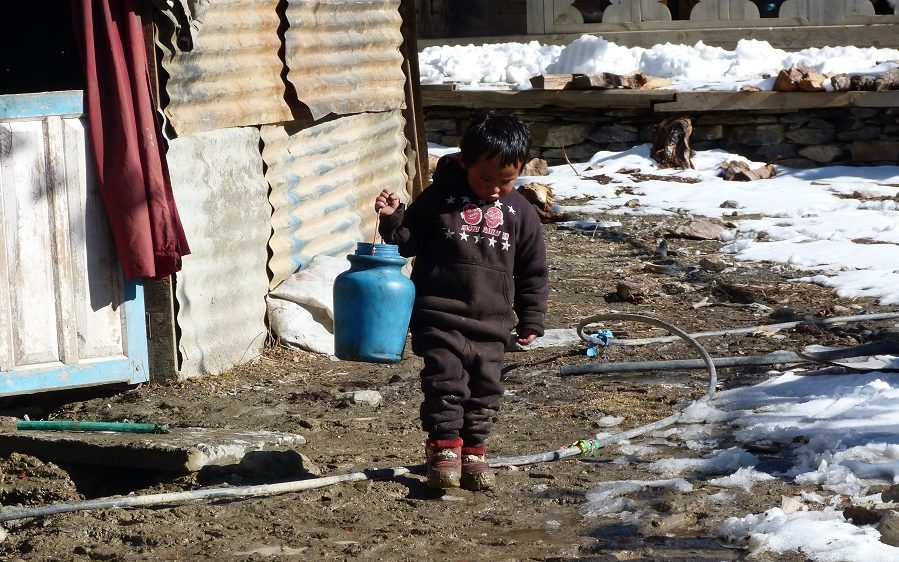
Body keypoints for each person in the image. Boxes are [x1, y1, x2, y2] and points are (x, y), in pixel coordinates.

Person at [374, 111, 548, 491]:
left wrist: (532, 318)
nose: (495, 189)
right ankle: (444, 449)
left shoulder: (521, 212)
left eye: (507, 180)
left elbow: (533, 271)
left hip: (493, 322)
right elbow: (408, 243)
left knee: (486, 390)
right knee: (445, 384)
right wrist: (392, 219)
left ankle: (474, 450)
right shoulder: (439, 199)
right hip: (439, 314)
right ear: (466, 161)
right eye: (486, 178)